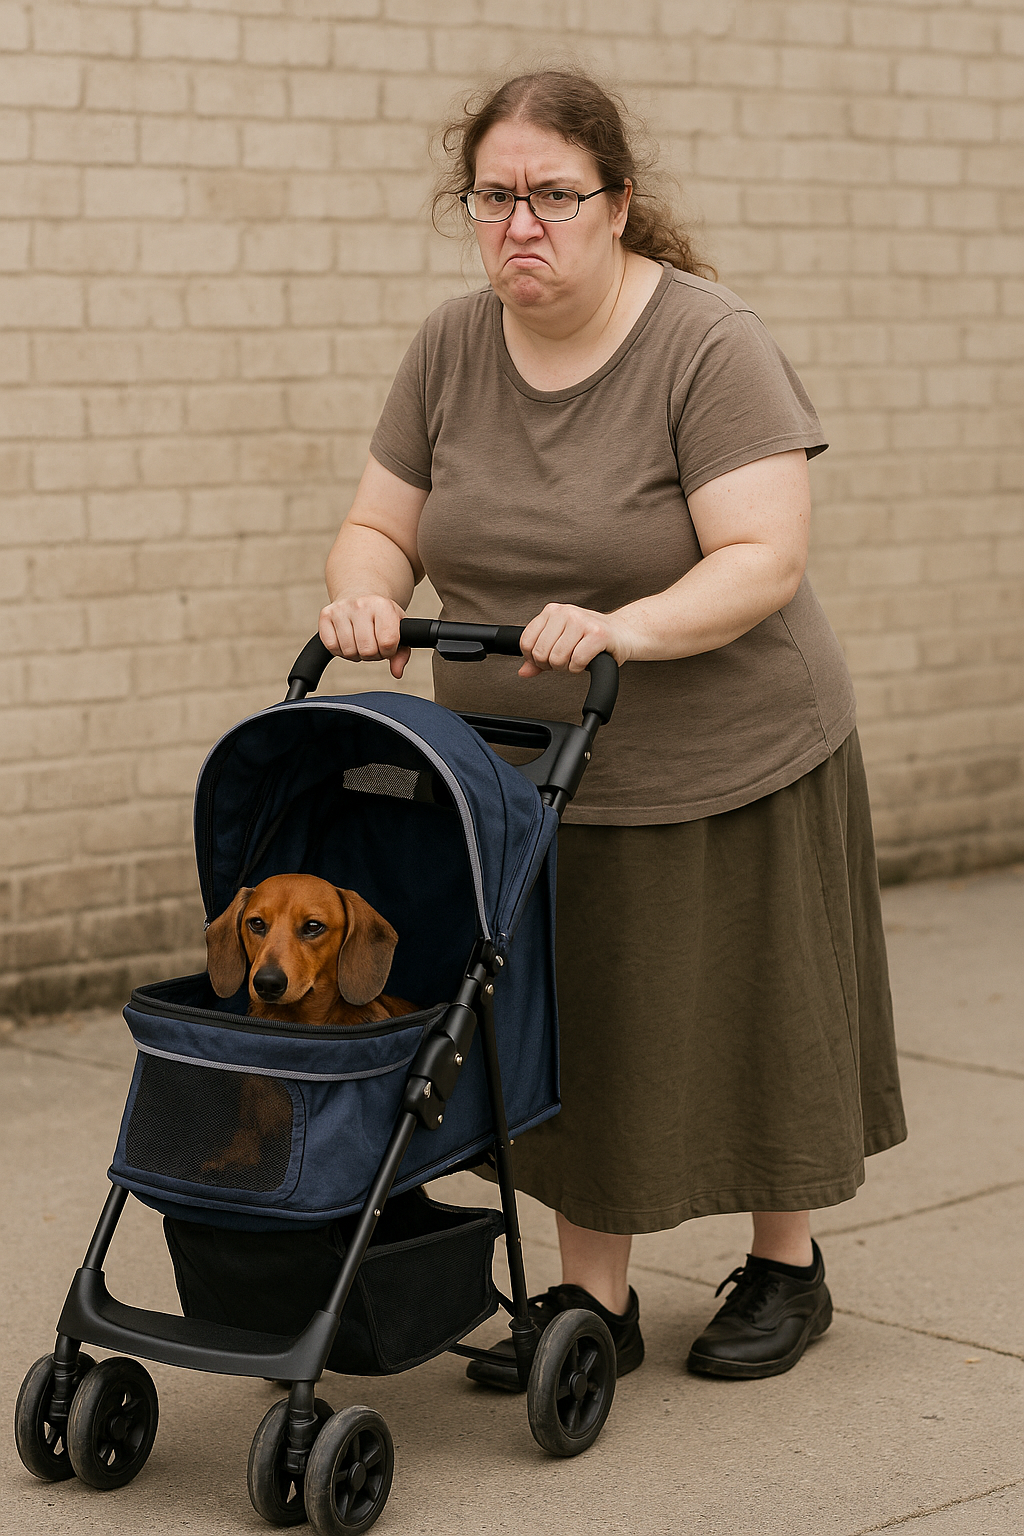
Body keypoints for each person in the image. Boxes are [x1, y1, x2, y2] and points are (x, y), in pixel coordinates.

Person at [319, 69, 906, 1386]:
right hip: (517, 769)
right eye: (495, 197)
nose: (521, 224)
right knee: (571, 1018)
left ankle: (786, 1267)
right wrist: (363, 596)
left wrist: (620, 628)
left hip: (728, 742)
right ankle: (593, 1306)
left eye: (553, 196)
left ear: (618, 203)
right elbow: (380, 524)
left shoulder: (708, 341)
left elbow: (763, 555)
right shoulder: (450, 347)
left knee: (749, 1009)